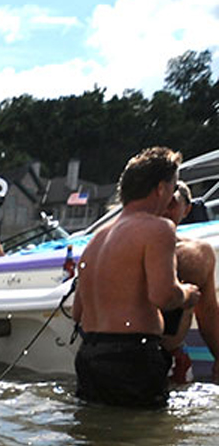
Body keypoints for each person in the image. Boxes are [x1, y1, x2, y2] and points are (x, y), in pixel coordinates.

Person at [71, 147, 197, 410]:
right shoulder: (158, 228)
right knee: (143, 442)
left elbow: (77, 313)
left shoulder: (96, 239)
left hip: (89, 355)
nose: (173, 197)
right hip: (132, 357)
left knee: (96, 438)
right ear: (161, 188)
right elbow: (162, 295)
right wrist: (187, 295)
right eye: (173, 187)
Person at [159, 180, 219, 384]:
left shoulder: (198, 254)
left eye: (173, 203)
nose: (166, 209)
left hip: (173, 356)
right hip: (133, 352)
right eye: (162, 202)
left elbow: (208, 314)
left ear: (187, 209)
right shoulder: (127, 245)